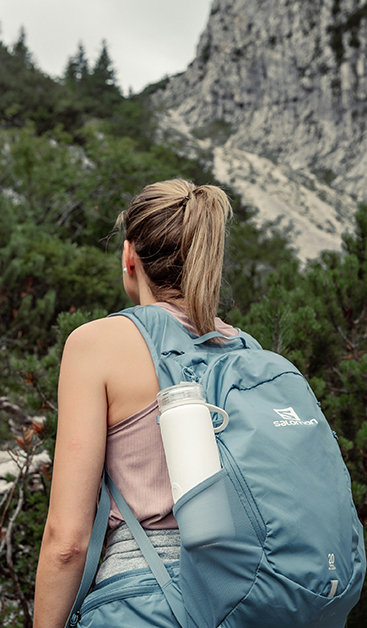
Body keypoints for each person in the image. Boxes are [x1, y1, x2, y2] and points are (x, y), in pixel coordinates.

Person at [33, 179, 235, 628]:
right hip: (244, 597)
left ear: (129, 256)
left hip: (144, 603)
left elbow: (67, 541)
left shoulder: (97, 344)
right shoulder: (248, 351)